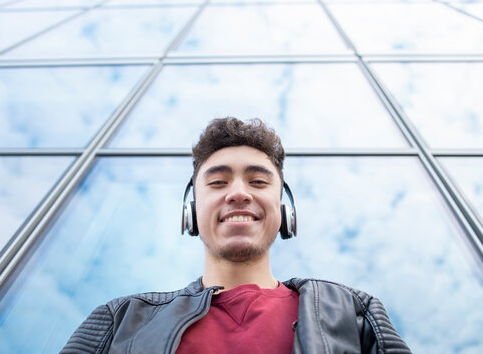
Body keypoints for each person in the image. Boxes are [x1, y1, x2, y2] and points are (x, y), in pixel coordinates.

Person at [61, 117, 412, 354]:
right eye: (217, 182)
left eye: (258, 181)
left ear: (283, 208)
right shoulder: (119, 319)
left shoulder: (354, 313)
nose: (239, 193)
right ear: (191, 210)